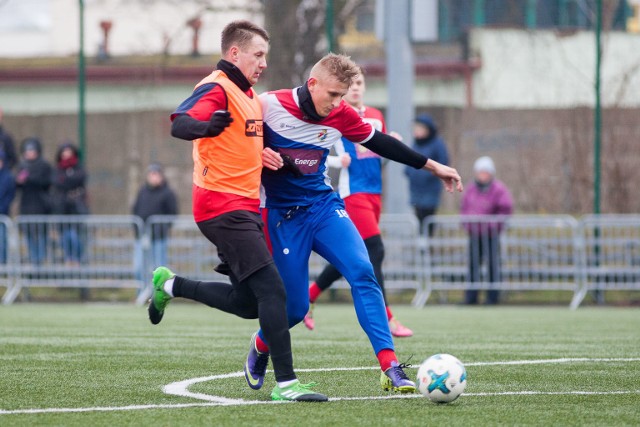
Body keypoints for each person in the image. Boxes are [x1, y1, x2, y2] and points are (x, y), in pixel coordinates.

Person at [255, 53, 463, 394]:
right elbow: (231, 142)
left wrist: (432, 166)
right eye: (333, 94)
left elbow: (383, 143)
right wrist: (255, 154)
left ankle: (390, 366)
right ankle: (262, 344)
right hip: (281, 215)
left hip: (323, 207)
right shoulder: (267, 105)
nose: (338, 103)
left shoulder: (340, 114)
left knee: (363, 270)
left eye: (343, 95)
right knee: (294, 308)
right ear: (312, 84)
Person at [150, 20, 327, 402]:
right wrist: (205, 126)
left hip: (243, 207)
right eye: (257, 54)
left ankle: (170, 285)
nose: (263, 62)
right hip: (220, 206)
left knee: (250, 303)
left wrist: (269, 158)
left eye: (266, 55)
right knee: (274, 293)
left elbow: (242, 148)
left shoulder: (249, 95)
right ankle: (287, 385)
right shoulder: (218, 86)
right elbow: (180, 124)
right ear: (235, 53)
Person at [302, 72, 413, 338]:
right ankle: (387, 317)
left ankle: (309, 297)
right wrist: (337, 162)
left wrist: (393, 145)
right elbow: (311, 150)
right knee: (375, 249)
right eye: (349, 86)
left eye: (359, 84)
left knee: (354, 255)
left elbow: (378, 153)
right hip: (353, 194)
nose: (354, 89)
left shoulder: (375, 114)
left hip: (375, 193)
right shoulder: (336, 115)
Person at [460, 156, 513, 305]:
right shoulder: (470, 188)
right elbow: (464, 208)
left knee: (492, 266)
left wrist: (492, 225)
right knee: (472, 266)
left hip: (491, 235)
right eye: (480, 172)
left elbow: (505, 209)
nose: (482, 175)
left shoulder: (499, 189)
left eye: (485, 172)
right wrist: (467, 223)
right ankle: (471, 298)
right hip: (474, 234)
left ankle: (492, 298)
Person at [404, 114, 449, 235]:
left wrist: (429, 174)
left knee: (428, 218)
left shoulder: (437, 143)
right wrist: (409, 172)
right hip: (415, 189)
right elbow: (407, 159)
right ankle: (421, 245)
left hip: (430, 190)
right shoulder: (415, 144)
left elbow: (443, 162)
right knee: (418, 218)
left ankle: (428, 244)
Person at [132, 163, 177, 269]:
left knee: (159, 267)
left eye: (156, 174)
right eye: (152, 174)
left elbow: (172, 213)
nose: (154, 177)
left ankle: (159, 286)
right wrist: (136, 229)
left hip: (159, 237)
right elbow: (135, 209)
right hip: (142, 235)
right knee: (139, 267)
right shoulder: (142, 191)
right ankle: (142, 286)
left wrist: (163, 228)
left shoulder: (167, 193)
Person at [16, 137, 53, 266]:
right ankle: (34, 260)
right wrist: (19, 181)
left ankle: (40, 261)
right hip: (26, 205)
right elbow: (17, 186)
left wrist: (29, 178)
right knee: (29, 234)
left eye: (32, 150)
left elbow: (47, 183)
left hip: (41, 205)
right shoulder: (22, 166)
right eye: (27, 150)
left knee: (42, 234)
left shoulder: (44, 165)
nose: (29, 153)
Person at [51, 141, 89, 265]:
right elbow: (57, 182)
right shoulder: (57, 169)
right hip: (62, 208)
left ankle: (78, 258)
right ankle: (69, 258)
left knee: (75, 236)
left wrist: (66, 180)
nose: (66, 154)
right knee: (65, 237)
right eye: (64, 152)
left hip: (77, 208)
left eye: (69, 152)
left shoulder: (79, 167)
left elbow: (79, 178)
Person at [0, 151, 16, 263]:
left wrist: (2, 208)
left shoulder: (8, 177)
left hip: (3, 213)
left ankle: (2, 263)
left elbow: (10, 195)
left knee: (2, 240)